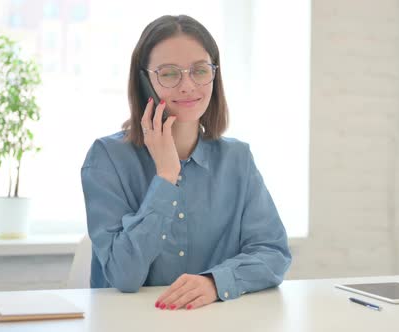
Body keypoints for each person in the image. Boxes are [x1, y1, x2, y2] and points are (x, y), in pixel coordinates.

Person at [81, 15, 291, 311]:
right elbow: (124, 275)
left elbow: (273, 253)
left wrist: (216, 282)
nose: (188, 86)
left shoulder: (238, 160)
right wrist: (166, 177)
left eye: (199, 70)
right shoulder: (107, 158)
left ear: (214, 75)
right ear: (144, 81)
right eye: (169, 74)